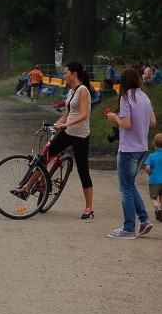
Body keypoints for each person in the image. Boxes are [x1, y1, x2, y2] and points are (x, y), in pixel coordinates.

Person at [105, 68, 156, 239]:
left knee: (125, 188)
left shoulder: (126, 98)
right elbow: (153, 122)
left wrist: (115, 118)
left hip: (128, 149)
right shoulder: (145, 97)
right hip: (142, 147)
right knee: (130, 184)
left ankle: (128, 228)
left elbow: (126, 124)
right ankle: (144, 219)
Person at [51, 61, 95, 219]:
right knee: (46, 154)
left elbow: (84, 115)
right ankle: (29, 187)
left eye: (66, 73)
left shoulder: (83, 90)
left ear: (74, 74)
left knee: (83, 171)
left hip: (80, 135)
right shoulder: (71, 92)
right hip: (68, 131)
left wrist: (67, 123)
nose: (64, 76)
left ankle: (89, 208)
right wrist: (54, 125)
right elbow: (65, 114)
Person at [145, 133, 162, 222]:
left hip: (154, 181)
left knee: (153, 198)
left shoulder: (151, 156)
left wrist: (150, 173)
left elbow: (147, 167)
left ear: (154, 144)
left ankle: (157, 207)